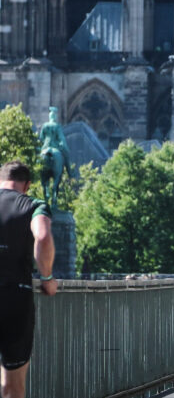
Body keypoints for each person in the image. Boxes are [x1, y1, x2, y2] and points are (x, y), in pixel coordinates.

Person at [0, 162, 56, 398]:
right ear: (27, 184)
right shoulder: (34, 205)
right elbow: (42, 237)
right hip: (15, 297)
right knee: (13, 386)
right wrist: (47, 278)